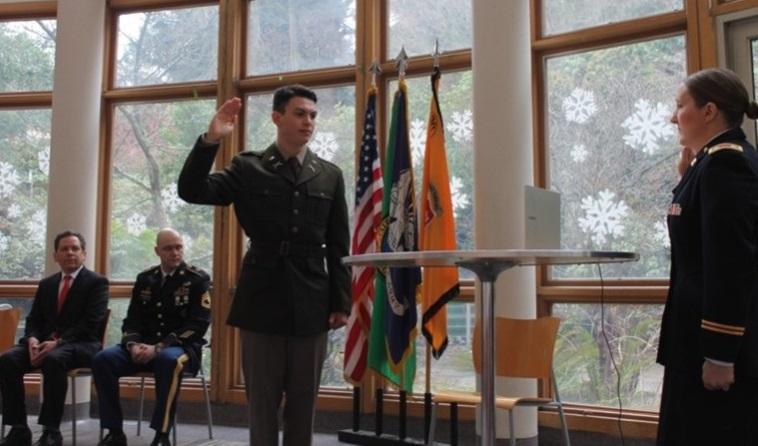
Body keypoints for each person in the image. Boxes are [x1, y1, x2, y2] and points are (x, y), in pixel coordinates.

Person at [177, 84, 350, 446]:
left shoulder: (328, 175)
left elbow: (337, 245)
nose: (308, 122)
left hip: (312, 298)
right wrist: (210, 140)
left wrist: (340, 302)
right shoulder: (248, 166)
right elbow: (192, 191)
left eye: (313, 115)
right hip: (262, 297)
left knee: (304, 404)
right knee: (262, 403)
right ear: (277, 117)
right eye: (300, 113)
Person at [657, 67, 758, 445]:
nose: (672, 116)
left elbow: (730, 264)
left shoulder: (725, 164)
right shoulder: (709, 163)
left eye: (680, 105)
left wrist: (720, 354)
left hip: (711, 347)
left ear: (709, 111)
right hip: (694, 341)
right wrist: (686, 178)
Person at [92, 228, 211, 446]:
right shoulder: (146, 279)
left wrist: (159, 347)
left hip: (181, 349)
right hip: (143, 346)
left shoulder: (197, 279)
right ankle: (115, 431)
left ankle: (162, 434)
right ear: (157, 251)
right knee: (103, 360)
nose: (175, 253)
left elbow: (198, 325)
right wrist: (133, 345)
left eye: (179, 247)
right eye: (168, 248)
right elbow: (132, 320)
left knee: (168, 361)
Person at [0, 231, 108, 446]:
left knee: (54, 359)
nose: (70, 253)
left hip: (82, 344)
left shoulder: (97, 283)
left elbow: (91, 323)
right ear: (55, 256)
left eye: (75, 249)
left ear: (84, 254)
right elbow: (34, 319)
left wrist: (58, 342)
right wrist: (31, 339)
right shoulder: (47, 284)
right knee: (8, 359)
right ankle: (19, 428)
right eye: (64, 249)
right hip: (44, 344)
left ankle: (51, 431)